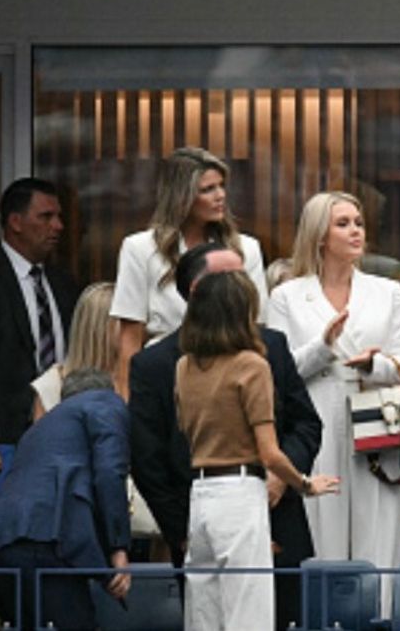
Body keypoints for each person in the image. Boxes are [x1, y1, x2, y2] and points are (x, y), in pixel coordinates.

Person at [127, 241, 323, 629]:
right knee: (236, 618)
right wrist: (180, 531)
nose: (243, 284)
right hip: (208, 510)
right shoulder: (161, 364)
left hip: (268, 516)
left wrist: (279, 482)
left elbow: (305, 424)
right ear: (200, 290)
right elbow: (148, 460)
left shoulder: (270, 346)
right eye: (232, 277)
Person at [175, 270, 339, 631]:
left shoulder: (184, 366)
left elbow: (185, 431)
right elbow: (270, 454)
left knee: (203, 616)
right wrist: (304, 484)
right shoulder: (251, 365)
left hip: (200, 494)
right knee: (248, 615)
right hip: (240, 493)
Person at [264, 192, 400, 575]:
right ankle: (324, 608)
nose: (355, 231)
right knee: (321, 529)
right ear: (319, 235)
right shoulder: (286, 296)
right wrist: (324, 347)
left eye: (359, 223)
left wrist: (372, 364)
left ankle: (379, 607)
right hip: (314, 417)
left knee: (378, 533)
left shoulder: (388, 291)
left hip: (377, 417)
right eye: (343, 224)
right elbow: (279, 371)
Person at [0, 368, 130, 631]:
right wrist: (118, 549)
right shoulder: (103, 402)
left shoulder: (40, 429)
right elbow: (109, 473)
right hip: (44, 542)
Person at [112, 147, 268, 380]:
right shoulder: (140, 249)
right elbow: (129, 337)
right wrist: (126, 398)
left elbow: (257, 325)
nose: (220, 195)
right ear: (181, 196)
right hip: (162, 374)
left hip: (231, 376)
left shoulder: (246, 249)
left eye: (221, 185)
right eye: (207, 189)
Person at [0, 178, 78, 444]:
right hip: (3, 438)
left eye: (59, 217)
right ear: (16, 222)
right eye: (46, 217)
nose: (58, 226)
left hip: (64, 430)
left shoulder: (64, 284)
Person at [30, 282, 118, 419]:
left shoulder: (138, 380)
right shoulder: (50, 387)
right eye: (125, 323)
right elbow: (42, 433)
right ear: (100, 329)